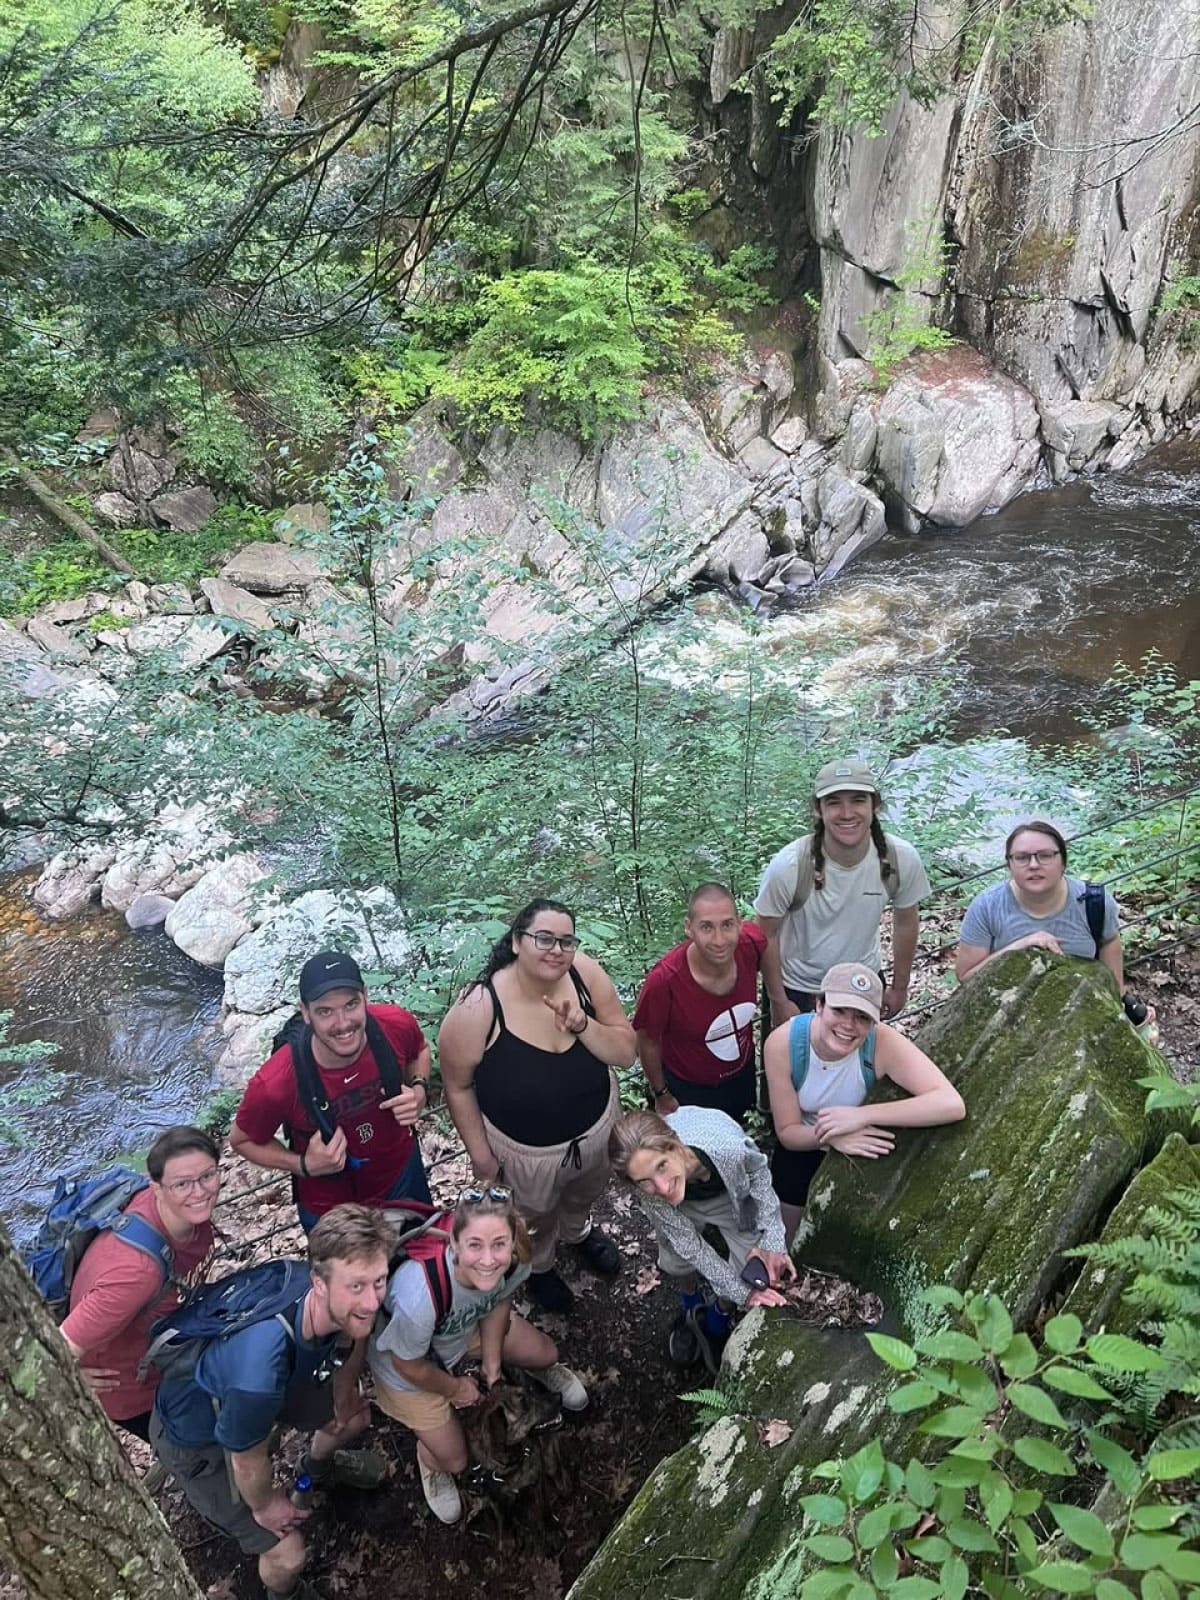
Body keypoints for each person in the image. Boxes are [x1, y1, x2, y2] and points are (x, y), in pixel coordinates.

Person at [151, 1205, 394, 1600]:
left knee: (350, 1418)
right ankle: (287, 1594)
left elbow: (353, 1338)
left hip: (274, 1390)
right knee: (287, 1551)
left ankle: (310, 1474)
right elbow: (245, 1459)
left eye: (379, 1281)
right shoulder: (258, 1373)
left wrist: (343, 1390)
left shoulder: (322, 1300)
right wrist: (265, 1506)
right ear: (319, 1282)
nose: (371, 1301)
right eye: (356, 1287)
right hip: (200, 1439)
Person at [438, 899, 637, 1314]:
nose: (556, 950)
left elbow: (625, 1053)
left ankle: (579, 1233)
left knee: (584, 1194)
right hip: (525, 1153)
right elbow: (456, 1086)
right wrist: (481, 1156)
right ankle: (542, 1265)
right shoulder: (479, 1007)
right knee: (534, 1215)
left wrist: (583, 1024)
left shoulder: (584, 974)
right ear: (516, 942)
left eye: (566, 940)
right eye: (543, 938)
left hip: (595, 1130)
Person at [368, 1186, 588, 1526]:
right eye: (475, 1245)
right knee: (456, 1460)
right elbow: (406, 1364)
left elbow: (498, 1301)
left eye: (499, 1244)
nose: (488, 1261)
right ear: (454, 1244)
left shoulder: (515, 1261)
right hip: (406, 1367)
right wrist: (455, 1389)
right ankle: (430, 1457)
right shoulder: (419, 1296)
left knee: (545, 1353)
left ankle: (541, 1371)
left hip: (461, 1328)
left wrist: (492, 1364)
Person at [764, 963, 965, 1245]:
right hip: (806, 1142)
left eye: (861, 1017)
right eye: (839, 1010)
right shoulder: (783, 1044)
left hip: (864, 1138)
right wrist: (833, 1135)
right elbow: (787, 1132)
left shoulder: (882, 1043)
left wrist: (860, 1116)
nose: (848, 1025)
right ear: (819, 1005)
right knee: (785, 1231)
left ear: (874, 1022)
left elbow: (950, 1103)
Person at [230, 950, 433, 1230]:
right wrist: (302, 1164)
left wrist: (419, 1091)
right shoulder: (277, 1081)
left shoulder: (394, 1025)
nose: (342, 1023)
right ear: (305, 1012)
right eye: (325, 1011)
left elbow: (420, 1050)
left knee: (422, 1265)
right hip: (330, 1207)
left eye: (351, 1005)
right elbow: (242, 1140)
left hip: (402, 1177)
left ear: (365, 995)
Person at [59, 1125, 220, 1443]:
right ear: (156, 1188)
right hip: (138, 1393)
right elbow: (57, 1345)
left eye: (207, 1176)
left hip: (171, 1354)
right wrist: (67, 1377)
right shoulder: (134, 1275)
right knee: (204, 1453)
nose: (200, 1192)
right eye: (182, 1184)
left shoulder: (182, 1215)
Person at [609, 1106, 794, 1371]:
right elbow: (690, 1246)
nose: (661, 1187)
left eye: (662, 1166)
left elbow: (757, 1172)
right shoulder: (651, 1191)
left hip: (726, 1196)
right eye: (644, 1180)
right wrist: (742, 1293)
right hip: (677, 1210)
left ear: (675, 1146)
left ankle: (718, 1317)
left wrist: (773, 1240)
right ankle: (690, 1303)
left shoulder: (726, 1148)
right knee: (676, 1261)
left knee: (751, 1273)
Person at [754, 759, 931, 1026]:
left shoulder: (899, 859)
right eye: (834, 802)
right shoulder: (790, 865)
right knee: (790, 1067)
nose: (847, 813)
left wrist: (899, 986)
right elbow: (765, 933)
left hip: (862, 983)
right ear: (818, 809)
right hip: (800, 989)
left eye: (858, 800)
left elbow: (906, 921)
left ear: (875, 805)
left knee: (862, 1067)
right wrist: (778, 1000)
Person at [633, 883, 766, 1123]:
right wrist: (661, 1093)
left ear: (739, 922)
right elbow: (647, 1040)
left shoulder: (750, 944)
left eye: (727, 925)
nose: (719, 940)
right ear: (689, 928)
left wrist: (778, 997)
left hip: (741, 1075)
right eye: (706, 927)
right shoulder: (664, 981)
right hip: (688, 1089)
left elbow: (769, 944)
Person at [955, 820, 1125, 988]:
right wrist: (1020, 946)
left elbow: (1110, 947)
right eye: (1022, 857)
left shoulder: (1094, 902)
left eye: (1045, 856)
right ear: (1009, 865)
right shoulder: (987, 906)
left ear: (1063, 862)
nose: (1034, 865)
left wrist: (1124, 1002)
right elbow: (966, 976)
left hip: (1083, 1006)